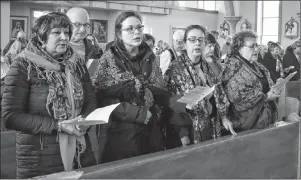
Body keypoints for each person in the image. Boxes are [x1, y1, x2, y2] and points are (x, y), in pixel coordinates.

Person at [1, 12, 96, 179]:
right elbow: (11, 116)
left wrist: (85, 120)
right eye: (56, 32)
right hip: (40, 157)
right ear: (42, 37)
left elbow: (91, 100)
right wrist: (58, 125)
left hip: (80, 151)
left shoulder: (77, 63)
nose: (64, 37)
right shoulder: (23, 65)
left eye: (67, 32)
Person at [92, 10, 193, 163]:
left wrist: (179, 102)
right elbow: (104, 98)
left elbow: (159, 91)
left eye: (139, 27)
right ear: (119, 34)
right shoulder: (109, 59)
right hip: (122, 134)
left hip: (152, 129)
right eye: (130, 29)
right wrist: (137, 114)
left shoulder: (150, 57)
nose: (136, 32)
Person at [165, 25, 235, 144]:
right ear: (184, 44)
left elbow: (219, 93)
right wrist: (182, 134)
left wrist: (224, 117)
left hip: (212, 123)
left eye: (200, 40)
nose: (197, 43)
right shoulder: (175, 68)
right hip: (191, 128)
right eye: (192, 40)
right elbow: (172, 103)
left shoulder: (208, 65)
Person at [222, 31, 280, 132]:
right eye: (252, 46)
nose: (256, 49)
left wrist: (277, 86)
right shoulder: (232, 67)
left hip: (266, 118)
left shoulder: (258, 65)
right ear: (239, 48)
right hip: (247, 123)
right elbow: (236, 96)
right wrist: (266, 97)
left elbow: (267, 85)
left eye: (256, 45)